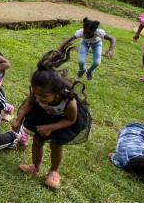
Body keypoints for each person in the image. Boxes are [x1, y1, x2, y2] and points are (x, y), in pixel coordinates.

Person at [14, 46, 91, 190]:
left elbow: (71, 120)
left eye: (43, 96)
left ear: (57, 93)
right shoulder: (37, 93)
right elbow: (28, 104)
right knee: (37, 140)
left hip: (63, 122)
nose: (39, 98)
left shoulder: (69, 102)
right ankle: (35, 166)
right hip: (43, 116)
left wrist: (51, 128)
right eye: (36, 95)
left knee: (56, 144)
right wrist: (19, 119)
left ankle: (54, 171)